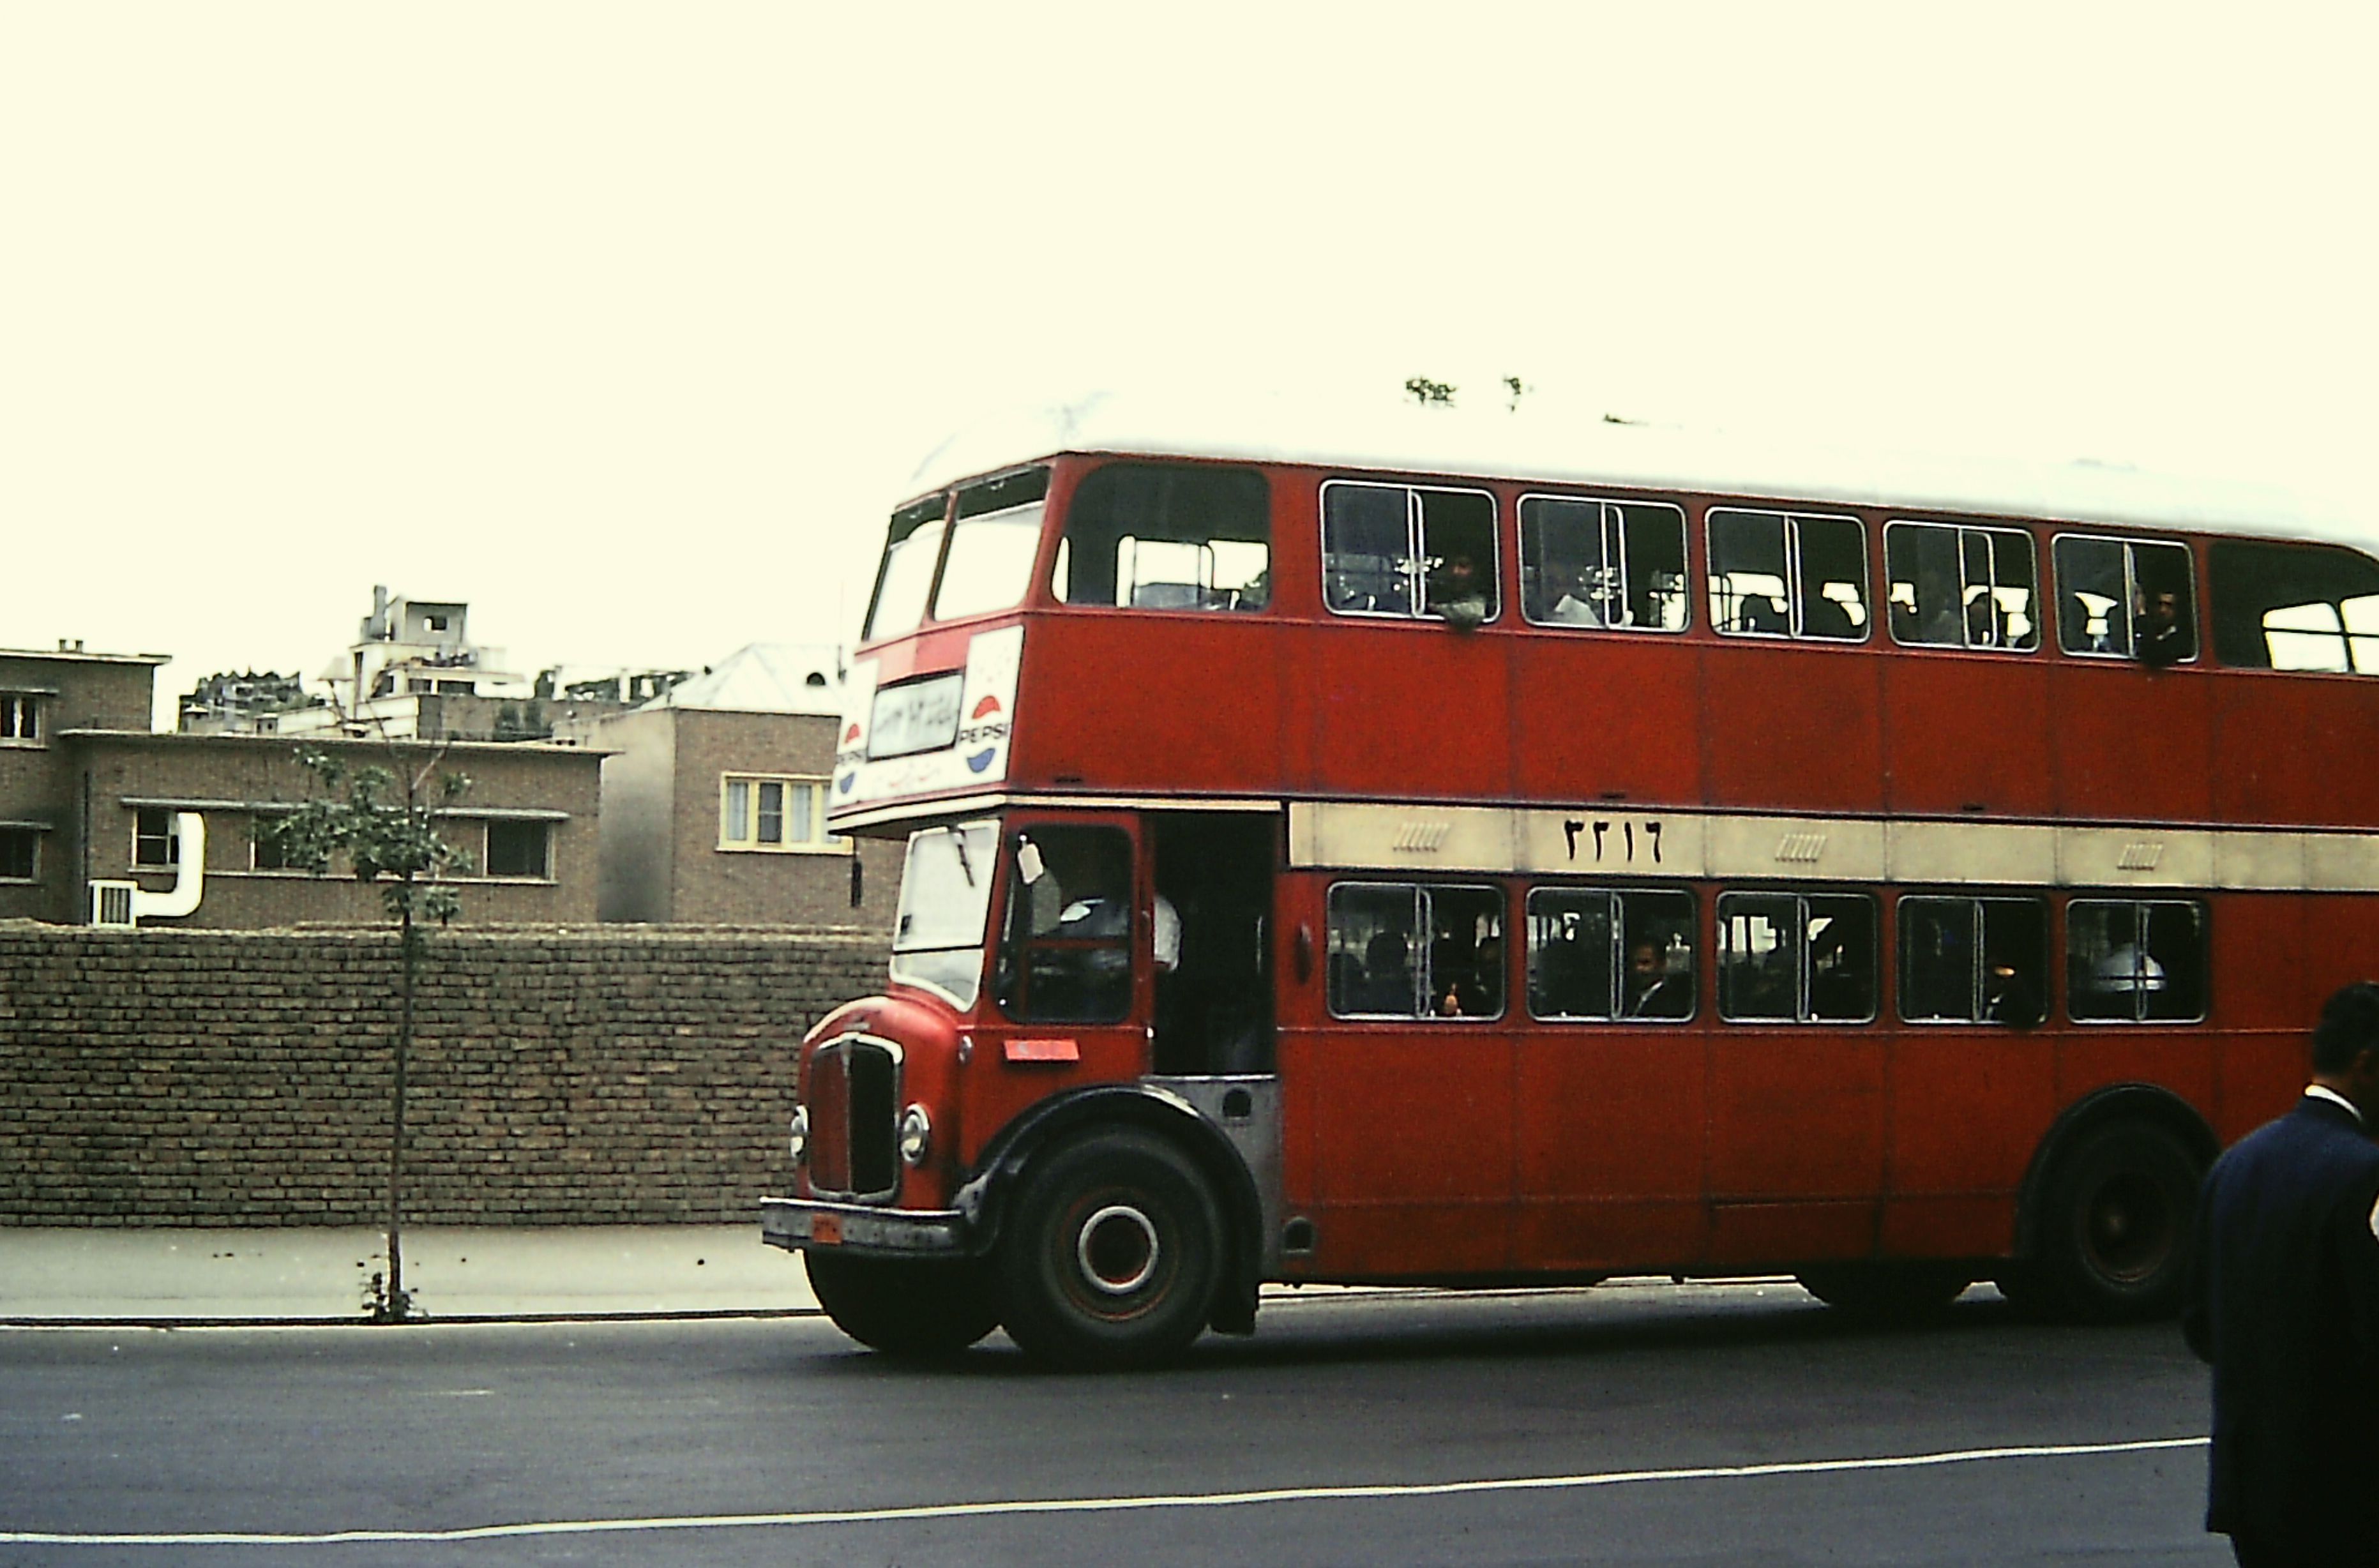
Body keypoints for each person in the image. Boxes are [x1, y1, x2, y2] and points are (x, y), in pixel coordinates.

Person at [2182, 981, 2379, 1566]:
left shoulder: (2234, 1163)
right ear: (2366, 1066)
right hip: (2346, 1495)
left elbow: (2201, 1324)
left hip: (2253, 1488)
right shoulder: (2365, 1174)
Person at [1622, 939, 1690, 1020]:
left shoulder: (1669, 1003)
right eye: (1634, 963)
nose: (1638, 969)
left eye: (1645, 963)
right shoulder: (1633, 998)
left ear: (1662, 964)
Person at [1426, 547, 1491, 628]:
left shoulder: (1478, 597)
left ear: (1477, 572)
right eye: (1450, 565)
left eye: (1463, 566)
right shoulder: (1438, 590)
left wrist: (1436, 608)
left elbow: (1474, 612)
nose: (1455, 572)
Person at [2134, 586, 2191, 667]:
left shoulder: (2182, 639)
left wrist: (2142, 614)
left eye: (2169, 606)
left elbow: (2154, 657)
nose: (2162, 610)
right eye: (2159, 604)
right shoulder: (2152, 631)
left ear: (2177, 610)